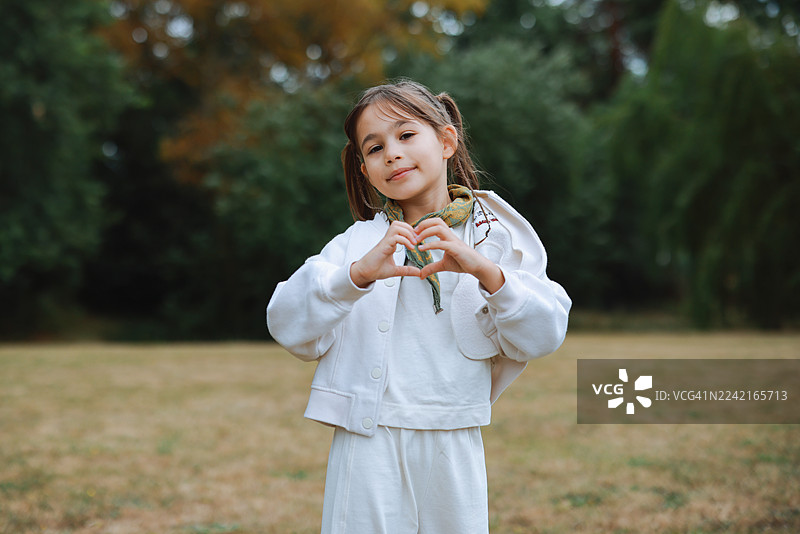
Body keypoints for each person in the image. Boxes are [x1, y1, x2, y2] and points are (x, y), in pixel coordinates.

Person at [267, 79, 571, 534]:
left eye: (406, 135)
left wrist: (486, 272)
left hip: (454, 434)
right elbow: (285, 322)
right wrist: (356, 277)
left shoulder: (495, 235)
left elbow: (544, 334)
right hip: (367, 438)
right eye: (374, 148)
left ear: (446, 141)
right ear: (365, 170)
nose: (391, 153)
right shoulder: (358, 244)